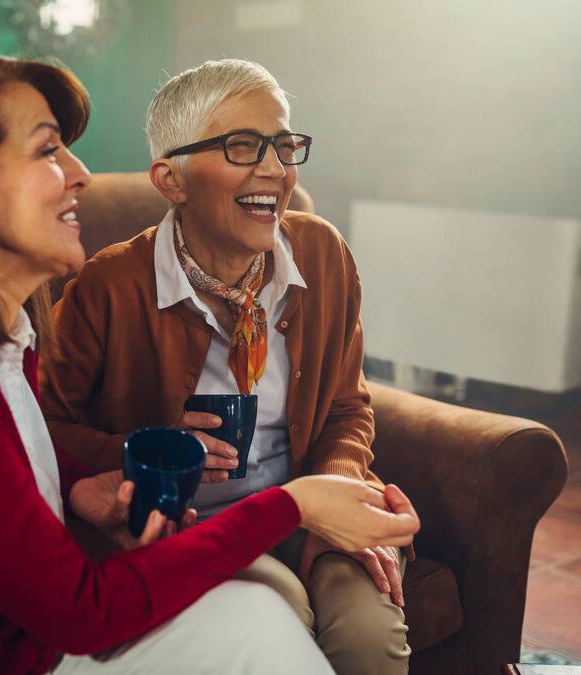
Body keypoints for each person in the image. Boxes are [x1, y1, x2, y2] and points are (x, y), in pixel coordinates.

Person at [0, 51, 419, 675]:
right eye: (49, 150)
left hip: (6, 646)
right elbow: (80, 609)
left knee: (262, 623)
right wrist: (292, 503)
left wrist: (79, 484)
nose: (81, 175)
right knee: (258, 626)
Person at [41, 58, 414, 675]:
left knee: (369, 634)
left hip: (309, 502)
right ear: (171, 179)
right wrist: (148, 451)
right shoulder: (108, 283)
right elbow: (42, 427)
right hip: (194, 527)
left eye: (285, 144)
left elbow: (348, 405)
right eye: (242, 146)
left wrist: (337, 493)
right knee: (278, 613)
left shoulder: (322, 254)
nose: (275, 167)